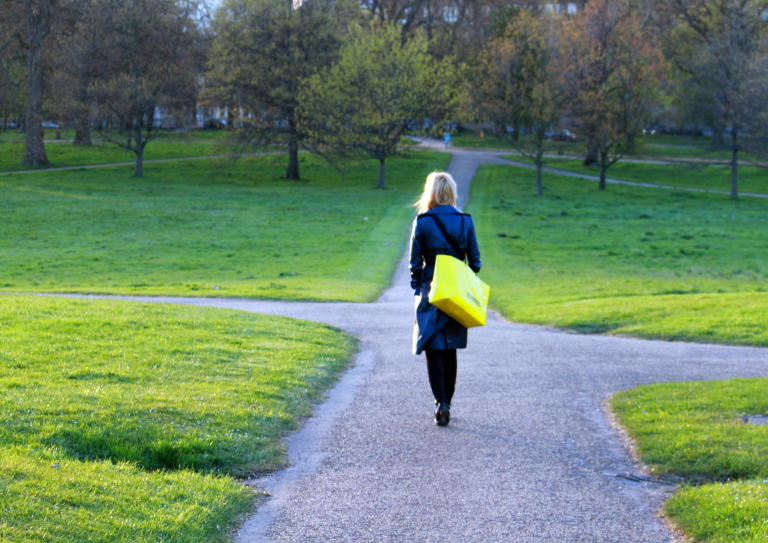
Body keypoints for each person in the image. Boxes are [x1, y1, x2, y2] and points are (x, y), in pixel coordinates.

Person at [409, 172, 481, 426]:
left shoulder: (422, 222)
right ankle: (447, 401)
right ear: (451, 192)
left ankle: (441, 402)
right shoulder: (465, 221)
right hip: (456, 290)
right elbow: (476, 263)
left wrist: (418, 289)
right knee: (450, 347)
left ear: (430, 193)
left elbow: (414, 266)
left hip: (430, 289)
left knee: (432, 346)